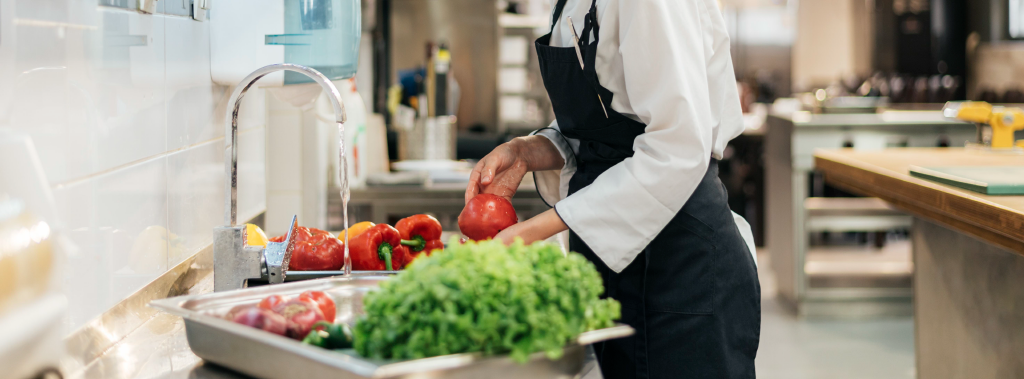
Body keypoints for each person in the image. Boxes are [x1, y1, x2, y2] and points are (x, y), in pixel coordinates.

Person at [464, 0, 760, 377]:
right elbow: (611, 126)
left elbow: (678, 145)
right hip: (616, 263)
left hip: (681, 265)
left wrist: (531, 232)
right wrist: (528, 150)